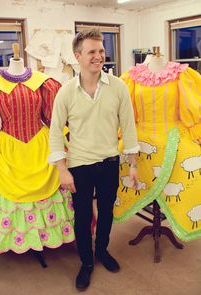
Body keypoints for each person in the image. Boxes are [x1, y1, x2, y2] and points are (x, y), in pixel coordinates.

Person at [48, 29, 140, 291]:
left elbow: (129, 127)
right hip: (79, 166)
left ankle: (102, 250)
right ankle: (86, 262)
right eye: (92, 51)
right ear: (78, 56)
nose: (99, 56)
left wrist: (132, 164)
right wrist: (62, 170)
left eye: (101, 50)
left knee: (107, 212)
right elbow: (55, 132)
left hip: (110, 162)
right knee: (83, 215)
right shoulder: (65, 92)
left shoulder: (118, 87)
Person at [0, 47, 75, 262]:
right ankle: (23, 239)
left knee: (53, 186)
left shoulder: (43, 82)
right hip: (7, 149)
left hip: (41, 145)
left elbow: (53, 118)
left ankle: (45, 236)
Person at [114, 52, 201, 243]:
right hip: (139, 135)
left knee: (194, 165)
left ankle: (182, 216)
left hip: (173, 134)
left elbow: (192, 106)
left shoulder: (181, 73)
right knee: (116, 162)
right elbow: (123, 111)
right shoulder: (131, 77)